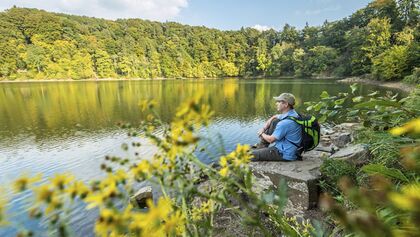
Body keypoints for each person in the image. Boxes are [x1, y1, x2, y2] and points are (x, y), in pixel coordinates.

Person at [252, 93, 302, 161]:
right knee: (274, 121)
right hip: (291, 149)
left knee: (250, 155)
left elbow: (271, 140)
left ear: (286, 104)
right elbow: (274, 117)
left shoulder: (285, 123)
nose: (276, 103)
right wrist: (263, 128)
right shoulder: (293, 114)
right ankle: (262, 146)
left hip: (284, 153)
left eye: (279, 102)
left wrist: (261, 133)